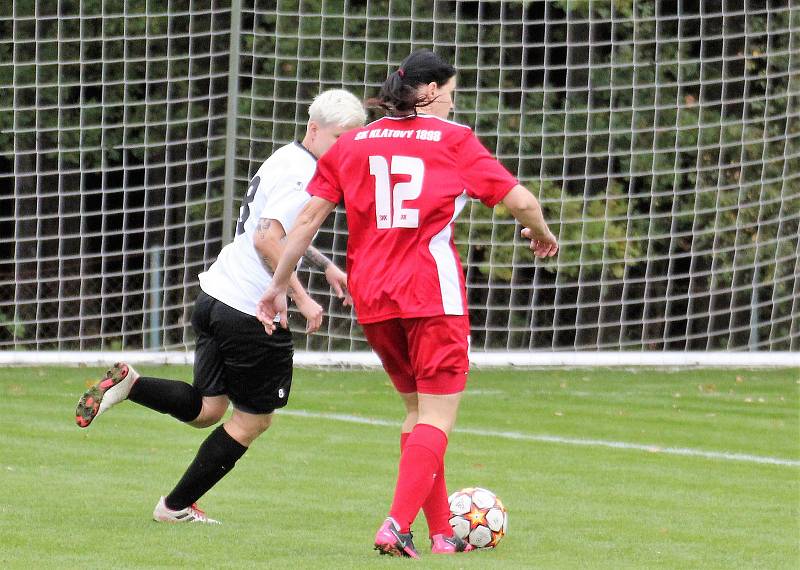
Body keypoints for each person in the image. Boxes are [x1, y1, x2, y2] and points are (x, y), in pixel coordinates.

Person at [256, 50, 559, 557]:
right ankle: (396, 523)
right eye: (453, 95)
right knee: (437, 419)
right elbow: (522, 201)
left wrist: (278, 284)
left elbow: (308, 218)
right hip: (431, 295)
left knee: (417, 413)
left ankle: (442, 535)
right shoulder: (454, 139)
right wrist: (541, 233)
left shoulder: (351, 144)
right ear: (432, 92)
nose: (453, 105)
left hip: (373, 297)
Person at [74, 89, 367, 524]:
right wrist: (300, 297)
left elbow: (280, 231)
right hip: (251, 311)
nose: (346, 148)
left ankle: (131, 384)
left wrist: (324, 265)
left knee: (209, 410)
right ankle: (173, 507)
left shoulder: (284, 157)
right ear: (314, 129)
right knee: (252, 421)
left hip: (215, 296)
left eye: (353, 139)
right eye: (340, 137)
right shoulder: (306, 175)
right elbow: (268, 238)